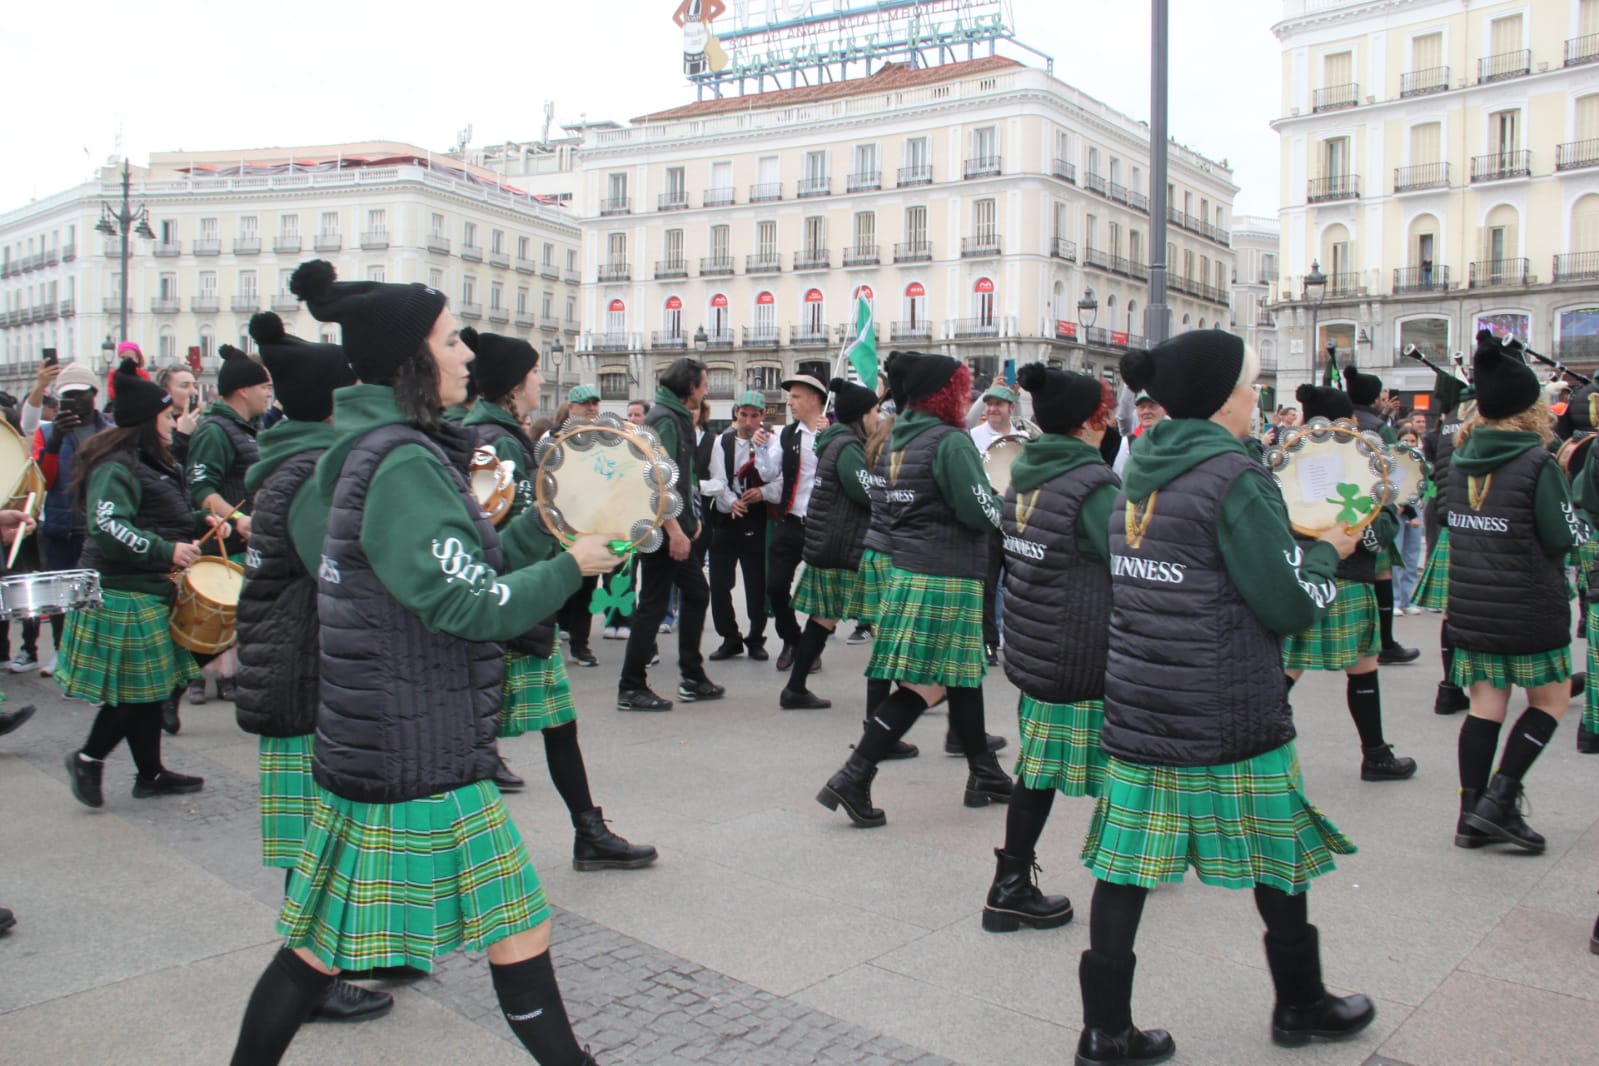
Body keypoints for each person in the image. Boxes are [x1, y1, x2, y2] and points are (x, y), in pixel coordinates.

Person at [227, 259, 616, 1066]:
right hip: (415, 747)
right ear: (412, 359)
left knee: (319, 947)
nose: (468, 355)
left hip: (394, 737)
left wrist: (551, 529)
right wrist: (567, 569)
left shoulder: (381, 448)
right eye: (449, 340)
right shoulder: (401, 462)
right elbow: (464, 606)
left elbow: (462, 566)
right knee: (507, 927)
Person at [1075, 332, 1372, 1064]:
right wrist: (1332, 547)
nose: (1257, 397)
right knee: (1278, 857)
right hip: (1228, 706)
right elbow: (1290, 605)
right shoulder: (1233, 478)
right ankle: (1300, 1002)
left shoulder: (1136, 471)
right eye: (1252, 384)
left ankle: (1103, 1032)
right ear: (1222, 398)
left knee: (1123, 871)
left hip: (1145, 703)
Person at [233, 311, 393, 1022]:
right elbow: (336, 574)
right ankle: (312, 979)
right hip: (303, 675)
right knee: (314, 838)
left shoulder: (296, 463)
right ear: (333, 402)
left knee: (325, 830)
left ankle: (341, 953)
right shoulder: (307, 476)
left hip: (297, 667)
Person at [461, 327, 656, 868]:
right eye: (532, 372)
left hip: (516, 601)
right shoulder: (495, 441)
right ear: (512, 384)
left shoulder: (501, 434)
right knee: (496, 730)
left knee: (551, 723)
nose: (541, 379)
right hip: (511, 605)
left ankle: (587, 831)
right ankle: (578, 835)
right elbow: (494, 533)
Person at [817, 351, 1011, 827]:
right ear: (947, 392)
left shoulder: (892, 440)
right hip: (947, 572)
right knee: (924, 685)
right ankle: (854, 775)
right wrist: (999, 502)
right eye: (963, 388)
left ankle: (983, 770)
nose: (968, 396)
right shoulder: (950, 442)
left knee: (962, 674)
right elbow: (977, 511)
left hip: (912, 567)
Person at [982, 362, 1117, 934]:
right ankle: (1128, 870)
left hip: (1039, 648)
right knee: (1130, 769)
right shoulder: (1095, 487)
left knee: (1035, 774)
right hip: (1089, 652)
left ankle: (1009, 886)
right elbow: (1128, 566)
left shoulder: (1023, 475)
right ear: (1094, 421)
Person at [1447, 331, 1588, 855]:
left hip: (1472, 604)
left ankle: (1469, 816)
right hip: (1528, 604)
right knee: (1550, 700)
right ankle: (1500, 801)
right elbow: (1559, 536)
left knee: (1486, 704)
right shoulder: (1537, 463)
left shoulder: (1460, 457)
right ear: (1531, 410)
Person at [61, 359, 212, 809]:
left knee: (151, 689)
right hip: (122, 591)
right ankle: (88, 759)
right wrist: (166, 551)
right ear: (149, 421)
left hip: (146, 587)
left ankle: (150, 773)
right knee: (136, 693)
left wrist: (207, 522)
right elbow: (108, 527)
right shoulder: (116, 466)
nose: (174, 422)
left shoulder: (151, 460)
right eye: (167, 416)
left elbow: (165, 512)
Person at [1281, 385, 1417, 782]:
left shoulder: (1287, 458)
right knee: (1362, 667)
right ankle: (1374, 756)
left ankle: (1247, 743)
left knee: (1290, 668)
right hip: (1350, 574)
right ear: (1347, 420)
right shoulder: (1363, 457)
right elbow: (1379, 522)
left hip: (1301, 572)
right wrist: (1377, 533)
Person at [616, 357, 721, 712]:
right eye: (703, 384)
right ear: (689, 387)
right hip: (664, 530)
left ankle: (691, 675)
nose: (706, 391)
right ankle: (633, 686)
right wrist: (676, 529)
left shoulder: (673, 417)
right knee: (654, 606)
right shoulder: (666, 418)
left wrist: (691, 518)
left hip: (673, 526)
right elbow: (656, 478)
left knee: (693, 593)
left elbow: (682, 474)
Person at [780, 378, 879, 709]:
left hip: (832, 546)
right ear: (861, 415)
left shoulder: (834, 443)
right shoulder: (848, 448)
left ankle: (795, 688)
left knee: (822, 619)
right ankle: (917, 691)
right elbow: (867, 494)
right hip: (845, 548)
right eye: (875, 411)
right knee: (885, 619)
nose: (878, 417)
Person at [184, 344, 274, 705]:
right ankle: (181, 686)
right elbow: (201, 489)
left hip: (243, 542)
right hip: (222, 543)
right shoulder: (215, 431)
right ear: (244, 390)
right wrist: (239, 518)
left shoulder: (248, 428)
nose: (270, 392)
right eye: (264, 386)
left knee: (237, 622)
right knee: (214, 621)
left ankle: (226, 679)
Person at [25, 362, 108, 677]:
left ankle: (92, 657)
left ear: (93, 395)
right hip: (60, 526)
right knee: (60, 599)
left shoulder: (109, 431)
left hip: (96, 526)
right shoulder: (47, 432)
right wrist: (56, 442)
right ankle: (62, 652)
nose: (73, 402)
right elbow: (40, 481)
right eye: (67, 396)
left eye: (79, 395)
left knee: (94, 597)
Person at [1343, 362, 1419, 666]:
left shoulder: (1342, 420)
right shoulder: (1379, 427)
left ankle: (1350, 639)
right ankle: (1385, 642)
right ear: (1375, 398)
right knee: (1382, 574)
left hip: (1344, 508)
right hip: (1374, 507)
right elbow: (1393, 469)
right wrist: (1396, 505)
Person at [756, 374, 830, 673]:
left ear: (814, 399)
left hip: (822, 526)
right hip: (791, 520)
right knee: (775, 585)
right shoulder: (786, 435)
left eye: (796, 397)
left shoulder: (833, 433)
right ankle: (792, 639)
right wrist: (761, 447)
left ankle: (813, 650)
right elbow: (768, 473)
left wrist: (833, 434)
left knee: (821, 593)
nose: (790, 402)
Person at [1415, 367, 1474, 714]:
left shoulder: (1449, 419)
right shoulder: (1485, 416)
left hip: (1451, 518)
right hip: (1479, 522)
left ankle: (1450, 686)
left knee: (1453, 613)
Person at [705, 391, 771, 662]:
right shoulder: (722, 441)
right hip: (727, 519)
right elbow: (717, 477)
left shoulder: (771, 441)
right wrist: (731, 501)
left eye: (754, 415)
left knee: (756, 583)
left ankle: (756, 637)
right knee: (720, 583)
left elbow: (776, 477)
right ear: (736, 414)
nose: (748, 420)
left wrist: (762, 494)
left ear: (762, 417)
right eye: (743, 414)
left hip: (756, 518)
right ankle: (729, 637)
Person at [552, 385, 604, 668]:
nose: (591, 408)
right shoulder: (553, 438)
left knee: (587, 583)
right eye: (586, 404)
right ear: (571, 408)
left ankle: (580, 644)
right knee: (562, 581)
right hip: (561, 523)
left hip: (591, 521)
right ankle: (558, 629)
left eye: (595, 403)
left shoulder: (604, 439)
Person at [971, 382, 1019, 666]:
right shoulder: (974, 435)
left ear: (1011, 408)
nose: (992, 409)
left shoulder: (1023, 438)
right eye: (989, 404)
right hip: (988, 520)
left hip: (1015, 521)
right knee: (988, 586)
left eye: (998, 404)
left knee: (1017, 586)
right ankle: (988, 643)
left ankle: (1014, 641)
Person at [1393, 427, 1426, 615]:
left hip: (1415, 509)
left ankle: (1408, 599)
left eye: (1413, 441)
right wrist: (1409, 511)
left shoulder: (1419, 462)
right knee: (1397, 557)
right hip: (1400, 510)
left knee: (1412, 557)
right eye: (1405, 440)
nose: (1409, 444)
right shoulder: (1394, 462)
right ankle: (1396, 599)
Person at [155, 364, 202, 465]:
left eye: (195, 386)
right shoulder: (157, 423)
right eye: (185, 386)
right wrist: (182, 435)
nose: (193, 391)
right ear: (167, 391)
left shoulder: (205, 422)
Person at [1111, 392, 1164, 477]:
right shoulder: (1128, 442)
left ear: (1163, 409)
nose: (1146, 411)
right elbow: (1118, 477)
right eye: (1142, 407)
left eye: (1152, 406)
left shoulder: (1175, 438)